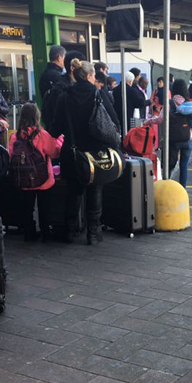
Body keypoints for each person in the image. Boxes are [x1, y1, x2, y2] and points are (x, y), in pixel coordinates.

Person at [52, 61, 112, 245]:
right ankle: (93, 233)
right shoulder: (98, 94)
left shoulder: (64, 97)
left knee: (73, 191)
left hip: (72, 152)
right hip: (95, 153)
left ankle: (69, 231)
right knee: (95, 190)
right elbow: (112, 121)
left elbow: (55, 129)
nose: (95, 78)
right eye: (94, 75)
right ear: (88, 76)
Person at [9, 103, 63, 242]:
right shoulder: (42, 134)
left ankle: (29, 232)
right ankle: (46, 232)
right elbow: (54, 152)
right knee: (45, 207)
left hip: (24, 179)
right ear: (37, 116)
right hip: (43, 179)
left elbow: (11, 156)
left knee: (27, 208)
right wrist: (60, 139)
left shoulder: (15, 136)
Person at [168, 79, 192, 188]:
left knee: (170, 164)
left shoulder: (170, 103)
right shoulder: (190, 104)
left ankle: (168, 186)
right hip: (187, 138)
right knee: (184, 165)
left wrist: (149, 121)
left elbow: (161, 119)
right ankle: (182, 188)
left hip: (173, 139)